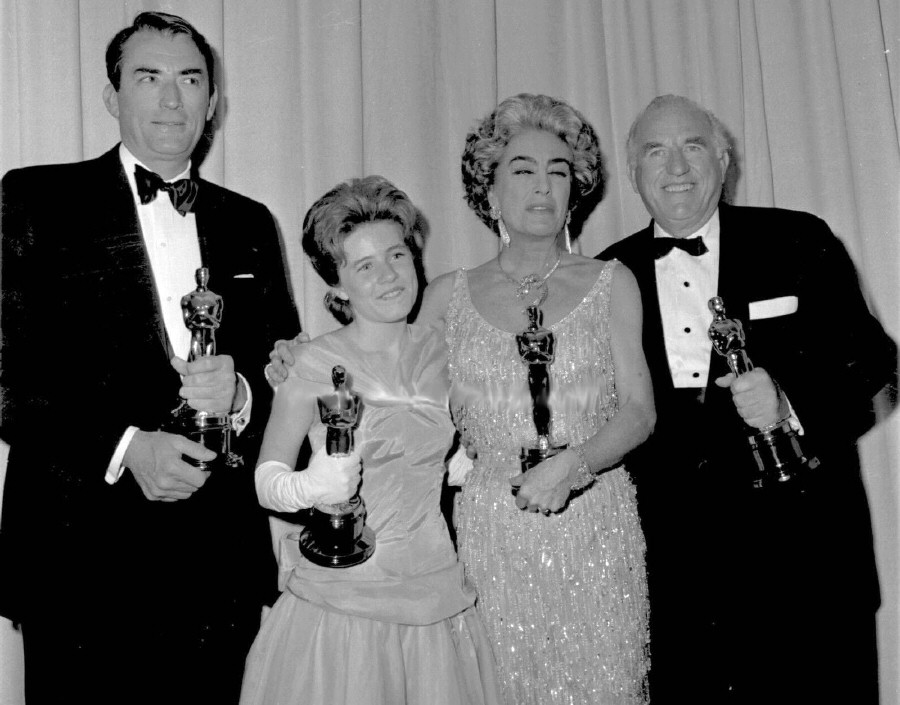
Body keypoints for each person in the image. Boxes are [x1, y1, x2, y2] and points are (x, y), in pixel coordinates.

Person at [0, 12, 299, 705]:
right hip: (77, 559)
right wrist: (128, 446)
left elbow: (288, 373)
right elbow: (7, 376)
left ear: (213, 101)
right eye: (149, 77)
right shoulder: (33, 199)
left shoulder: (251, 221)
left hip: (213, 560)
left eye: (190, 79)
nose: (172, 99)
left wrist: (243, 396)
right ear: (112, 97)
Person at [599, 94, 898, 704]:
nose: (676, 166)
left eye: (694, 145)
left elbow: (875, 363)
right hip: (677, 582)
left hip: (808, 568)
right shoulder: (607, 274)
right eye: (656, 150)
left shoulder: (797, 238)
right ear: (633, 172)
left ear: (724, 158)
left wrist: (790, 401)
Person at [418, 93, 656, 704]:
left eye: (558, 171)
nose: (543, 187)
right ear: (489, 191)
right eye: (522, 170)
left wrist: (572, 467)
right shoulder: (447, 296)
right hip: (492, 528)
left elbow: (638, 411)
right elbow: (396, 405)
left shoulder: (611, 281)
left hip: (595, 518)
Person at [239, 175, 501, 705]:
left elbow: (449, 449)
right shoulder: (309, 363)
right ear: (337, 286)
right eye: (365, 266)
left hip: (434, 593)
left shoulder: (448, 352)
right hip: (343, 600)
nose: (389, 276)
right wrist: (310, 485)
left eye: (397, 256)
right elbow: (265, 482)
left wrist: (463, 464)